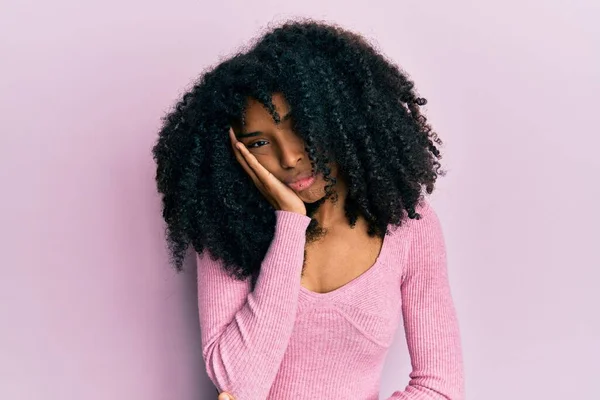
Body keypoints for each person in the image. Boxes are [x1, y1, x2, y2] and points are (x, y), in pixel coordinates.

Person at [152, 18, 464, 400]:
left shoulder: (406, 224)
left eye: (299, 127)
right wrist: (290, 223)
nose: (290, 157)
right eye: (260, 143)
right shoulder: (225, 225)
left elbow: (440, 387)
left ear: (337, 118)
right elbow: (238, 389)